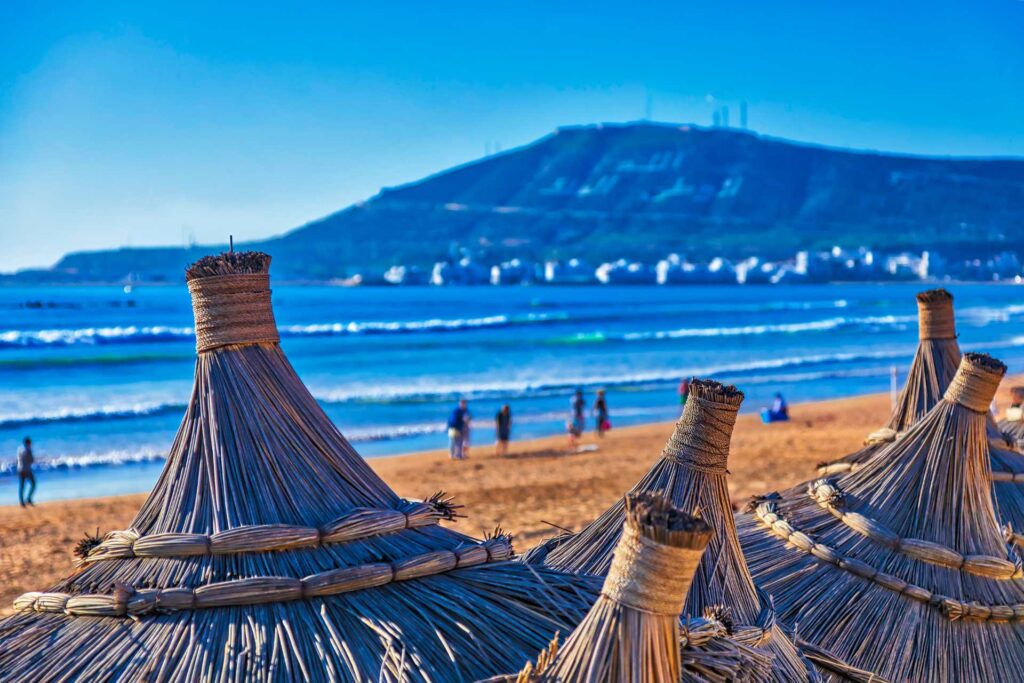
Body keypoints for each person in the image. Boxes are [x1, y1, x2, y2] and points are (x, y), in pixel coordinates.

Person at [17, 437, 35, 507]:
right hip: (26, 469)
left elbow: (18, 459)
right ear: (28, 443)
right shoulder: (28, 449)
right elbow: (31, 460)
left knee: (22, 486)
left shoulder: (19, 449)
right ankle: (28, 498)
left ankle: (22, 501)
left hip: (20, 469)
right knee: (33, 484)